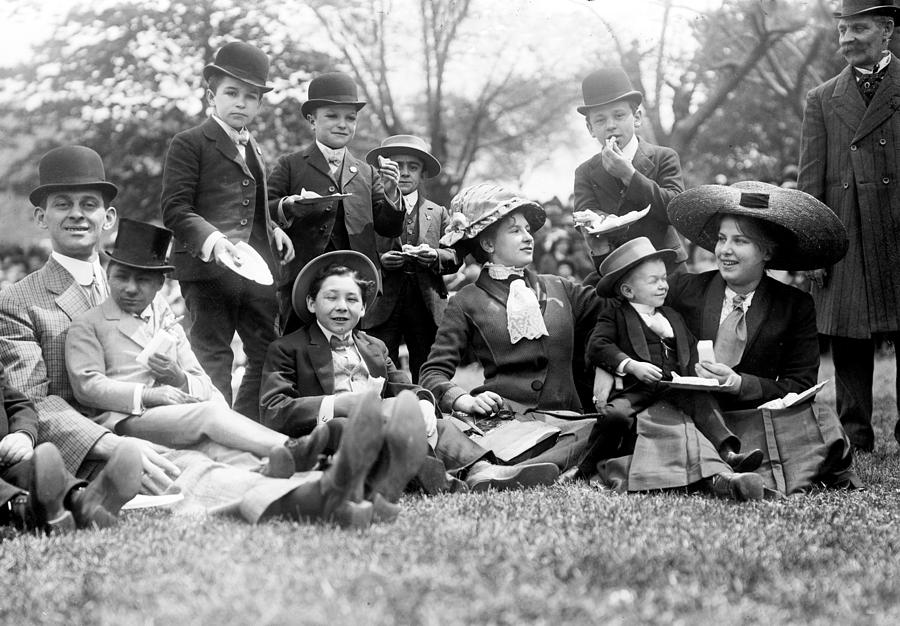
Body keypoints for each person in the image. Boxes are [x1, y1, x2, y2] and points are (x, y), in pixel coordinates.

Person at [0, 145, 414, 527]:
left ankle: (346, 482)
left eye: (89, 204)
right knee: (192, 469)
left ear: (107, 217)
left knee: (230, 449)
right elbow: (34, 403)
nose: (77, 214)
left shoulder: (138, 286)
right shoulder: (20, 300)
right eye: (62, 205)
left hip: (171, 418)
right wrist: (106, 444)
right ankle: (322, 492)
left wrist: (200, 397)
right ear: (41, 217)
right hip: (95, 442)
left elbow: (185, 365)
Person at [259, 250, 559, 492]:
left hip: (389, 425)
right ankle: (429, 473)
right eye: (331, 297)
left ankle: (480, 470)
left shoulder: (373, 347)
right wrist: (335, 405)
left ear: (364, 309)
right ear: (312, 303)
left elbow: (404, 387)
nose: (342, 307)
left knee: (438, 424)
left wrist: (424, 402)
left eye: (352, 300)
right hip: (335, 436)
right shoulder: (288, 349)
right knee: (368, 426)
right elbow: (274, 409)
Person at [65, 218, 315, 477]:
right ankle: (293, 447)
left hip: (173, 416)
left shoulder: (164, 317)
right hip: (122, 420)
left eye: (142, 280)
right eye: (121, 277)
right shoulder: (89, 324)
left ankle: (273, 473)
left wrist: (179, 378)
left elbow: (199, 378)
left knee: (215, 444)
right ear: (108, 275)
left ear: (159, 284)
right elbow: (88, 386)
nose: (130, 288)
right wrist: (148, 395)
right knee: (207, 414)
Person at [658, 181, 860, 494]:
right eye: (722, 239)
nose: (725, 250)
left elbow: (800, 385)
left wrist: (740, 384)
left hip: (757, 415)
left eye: (740, 241)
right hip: (697, 414)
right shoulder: (686, 290)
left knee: (822, 417)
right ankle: (724, 474)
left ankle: (719, 473)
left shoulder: (794, 305)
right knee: (658, 420)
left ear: (767, 251)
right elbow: (629, 308)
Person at [420, 183, 603, 472]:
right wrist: (464, 399)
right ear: (488, 244)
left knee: (604, 428)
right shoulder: (467, 300)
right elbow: (432, 373)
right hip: (505, 419)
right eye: (515, 230)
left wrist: (601, 245)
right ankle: (517, 463)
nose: (528, 237)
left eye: (528, 229)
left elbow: (613, 306)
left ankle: (495, 467)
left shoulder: (561, 288)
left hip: (568, 421)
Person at [161, 41, 294, 421]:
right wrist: (216, 242)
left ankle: (251, 427)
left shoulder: (255, 146)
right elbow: (175, 209)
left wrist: (272, 230)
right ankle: (216, 434)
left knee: (268, 350)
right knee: (213, 354)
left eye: (250, 97)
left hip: (256, 269)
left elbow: (250, 206)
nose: (241, 103)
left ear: (258, 104)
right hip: (207, 270)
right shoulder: (189, 143)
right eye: (231, 93)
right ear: (212, 95)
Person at [797, 0, 900, 453]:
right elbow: (809, 182)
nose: (846, 40)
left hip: (897, 232)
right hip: (847, 235)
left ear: (886, 31)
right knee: (849, 337)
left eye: (857, 29)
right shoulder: (821, 98)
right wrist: (813, 250)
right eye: (842, 31)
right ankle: (855, 436)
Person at [579, 237, 763, 481]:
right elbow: (597, 345)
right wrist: (631, 365)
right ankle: (585, 466)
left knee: (703, 401)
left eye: (664, 278)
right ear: (627, 290)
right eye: (653, 281)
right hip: (636, 389)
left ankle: (728, 452)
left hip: (672, 386)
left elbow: (690, 345)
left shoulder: (671, 316)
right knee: (615, 416)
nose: (663, 286)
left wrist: (702, 367)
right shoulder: (615, 316)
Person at [267, 71, 404, 332]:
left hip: (355, 281)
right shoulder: (290, 165)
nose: (343, 124)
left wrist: (391, 193)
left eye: (350, 118)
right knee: (301, 349)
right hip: (304, 280)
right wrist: (288, 204)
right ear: (312, 120)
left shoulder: (367, 172)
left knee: (350, 351)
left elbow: (388, 228)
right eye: (332, 116)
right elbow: (266, 208)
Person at [364, 135, 461, 382]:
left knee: (428, 367)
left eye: (413, 167)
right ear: (383, 169)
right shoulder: (368, 210)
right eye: (397, 166)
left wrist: (434, 256)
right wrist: (379, 264)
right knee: (380, 367)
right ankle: (386, 414)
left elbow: (456, 255)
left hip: (426, 302)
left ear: (423, 174)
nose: (405, 173)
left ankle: (430, 411)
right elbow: (355, 252)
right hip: (383, 301)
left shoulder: (438, 212)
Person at [1, 362, 141, 533]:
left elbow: (18, 404)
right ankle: (26, 511)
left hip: (6, 458)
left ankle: (84, 501)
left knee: (34, 471)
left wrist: (22, 434)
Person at [573, 67, 686, 268]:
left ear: (636, 118)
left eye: (619, 115)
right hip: (616, 270)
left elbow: (677, 210)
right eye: (600, 119)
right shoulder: (585, 172)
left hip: (667, 266)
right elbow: (585, 216)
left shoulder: (664, 157)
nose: (610, 125)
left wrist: (630, 176)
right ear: (590, 128)